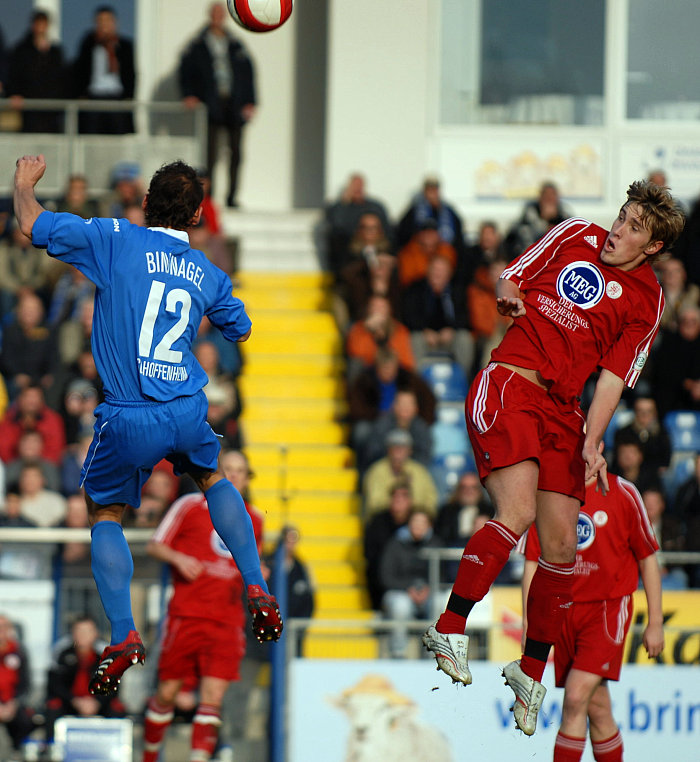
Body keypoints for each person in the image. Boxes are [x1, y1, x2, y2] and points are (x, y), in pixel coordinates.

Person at [422, 180, 684, 735]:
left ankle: (530, 667)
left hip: (564, 411)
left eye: (635, 227)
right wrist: (510, 294)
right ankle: (449, 625)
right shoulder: (574, 234)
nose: (618, 230)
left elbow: (614, 376)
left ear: (653, 247)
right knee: (515, 515)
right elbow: (510, 275)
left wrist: (594, 440)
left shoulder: (648, 299)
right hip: (512, 384)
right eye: (622, 217)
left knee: (562, 545)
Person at [14, 154, 282, 697]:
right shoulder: (207, 270)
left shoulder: (115, 238)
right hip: (185, 406)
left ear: (144, 204)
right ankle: (256, 584)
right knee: (213, 480)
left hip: (128, 412)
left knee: (104, 510)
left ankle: (123, 634)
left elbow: (31, 223)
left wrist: (23, 185)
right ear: (198, 215)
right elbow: (242, 328)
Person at [521, 474, 664, 761]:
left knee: (574, 698)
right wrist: (529, 622)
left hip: (606, 610)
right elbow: (533, 563)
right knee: (596, 705)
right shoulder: (549, 494)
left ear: (599, 445)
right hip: (564, 611)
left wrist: (655, 622)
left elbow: (647, 557)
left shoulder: (623, 493)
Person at [141, 448, 264, 762]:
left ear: (248, 479)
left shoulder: (255, 519)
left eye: (241, 471)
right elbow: (155, 544)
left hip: (226, 619)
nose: (235, 475)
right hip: (187, 613)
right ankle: (150, 754)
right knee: (168, 692)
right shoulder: (190, 507)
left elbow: (251, 563)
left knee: (212, 698)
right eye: (229, 468)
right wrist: (179, 557)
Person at [179, 2, 256, 208]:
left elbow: (248, 74)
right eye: (214, 14)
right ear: (209, 16)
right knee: (209, 154)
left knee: (236, 153)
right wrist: (189, 95)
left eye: (220, 14)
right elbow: (186, 71)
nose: (217, 18)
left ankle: (232, 197)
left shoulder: (235, 44)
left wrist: (250, 102)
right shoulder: (198, 44)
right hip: (211, 104)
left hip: (234, 104)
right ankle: (208, 197)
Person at [45, 616, 126, 742]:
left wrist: (96, 702)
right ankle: (52, 747)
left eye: (87, 631)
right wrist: (74, 701)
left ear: (95, 633)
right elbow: (54, 685)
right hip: (70, 703)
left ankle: (115, 748)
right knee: (52, 707)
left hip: (98, 704)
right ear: (73, 633)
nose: (83, 635)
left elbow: (113, 685)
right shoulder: (61, 653)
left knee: (117, 709)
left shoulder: (106, 655)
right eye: (79, 631)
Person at [379, 509, 442, 657]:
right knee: (401, 606)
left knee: (439, 603)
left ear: (429, 525)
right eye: (415, 522)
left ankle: (431, 654)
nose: (418, 526)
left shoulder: (436, 544)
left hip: (429, 593)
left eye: (423, 523)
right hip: (401, 592)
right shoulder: (395, 543)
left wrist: (428, 589)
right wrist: (408, 588)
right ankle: (398, 653)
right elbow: (386, 577)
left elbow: (442, 575)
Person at [73, 5, 136, 134]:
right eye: (100, 21)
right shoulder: (89, 45)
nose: (104, 25)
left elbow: (130, 73)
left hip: (117, 99)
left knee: (117, 138)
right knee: (92, 138)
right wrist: (81, 95)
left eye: (107, 21)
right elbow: (79, 71)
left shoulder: (124, 46)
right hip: (94, 98)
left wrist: (129, 97)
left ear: (114, 23)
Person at [7, 9, 67, 133]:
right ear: (33, 25)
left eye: (43, 24)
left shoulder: (55, 52)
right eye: (38, 24)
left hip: (51, 109)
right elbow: (14, 74)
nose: (40, 28)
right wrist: (14, 93)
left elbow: (61, 78)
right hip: (29, 106)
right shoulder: (22, 50)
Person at [0, 614, 35, 755]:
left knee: (26, 720)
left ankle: (17, 753)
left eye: (4, 627)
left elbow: (26, 684)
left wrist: (14, 704)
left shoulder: (19, 652)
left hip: (13, 705)